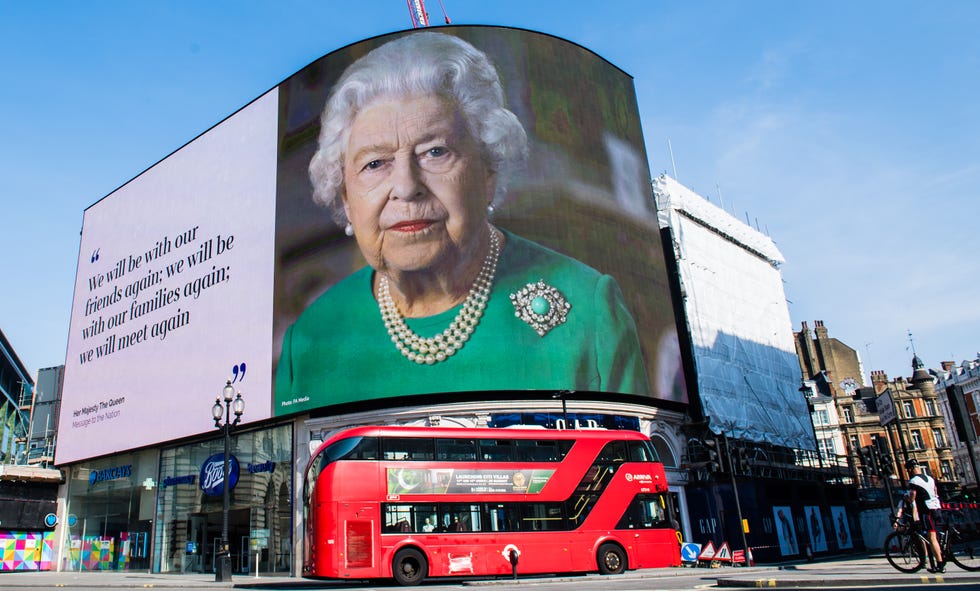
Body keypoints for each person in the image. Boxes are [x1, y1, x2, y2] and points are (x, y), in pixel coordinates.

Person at [275, 32, 650, 408]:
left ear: (488, 169)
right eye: (375, 164)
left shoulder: (588, 310)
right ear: (345, 197)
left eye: (435, 152)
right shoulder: (308, 343)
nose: (406, 187)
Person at [906, 458, 944, 573]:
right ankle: (941, 554)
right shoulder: (930, 478)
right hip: (936, 507)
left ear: (911, 469)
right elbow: (936, 491)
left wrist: (909, 499)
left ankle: (940, 564)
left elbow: (912, 494)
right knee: (935, 535)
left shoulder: (913, 481)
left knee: (932, 538)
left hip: (926, 510)